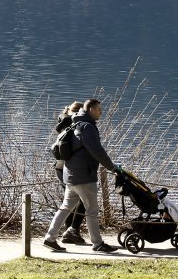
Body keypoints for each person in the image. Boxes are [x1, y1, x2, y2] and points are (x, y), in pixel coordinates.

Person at [43, 98, 120, 253]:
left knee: (65, 208)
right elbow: (97, 150)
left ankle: (49, 238)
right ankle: (97, 244)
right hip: (84, 175)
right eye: (99, 109)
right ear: (90, 109)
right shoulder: (87, 127)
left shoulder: (75, 122)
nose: (101, 112)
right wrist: (112, 167)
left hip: (70, 174)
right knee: (92, 210)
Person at [53, 101, 87, 244]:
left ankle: (69, 233)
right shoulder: (73, 125)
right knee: (83, 200)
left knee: (70, 201)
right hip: (69, 168)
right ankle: (73, 230)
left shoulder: (64, 123)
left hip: (60, 167)